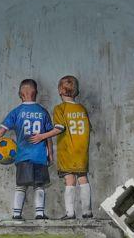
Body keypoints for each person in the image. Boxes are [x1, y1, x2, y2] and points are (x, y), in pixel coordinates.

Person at [0, 79, 53, 220]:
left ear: (20, 94)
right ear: (36, 93)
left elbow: (2, 130)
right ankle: (40, 214)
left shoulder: (16, 112)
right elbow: (49, 137)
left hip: (22, 156)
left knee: (21, 186)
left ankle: (16, 214)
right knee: (39, 186)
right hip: (40, 156)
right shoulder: (43, 112)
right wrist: (51, 155)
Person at [30, 75, 93, 219]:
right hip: (82, 150)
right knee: (83, 178)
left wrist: (42, 136)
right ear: (76, 91)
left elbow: (59, 128)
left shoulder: (60, 109)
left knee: (69, 180)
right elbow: (89, 128)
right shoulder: (82, 109)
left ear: (60, 90)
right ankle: (87, 211)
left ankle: (70, 213)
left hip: (68, 151)